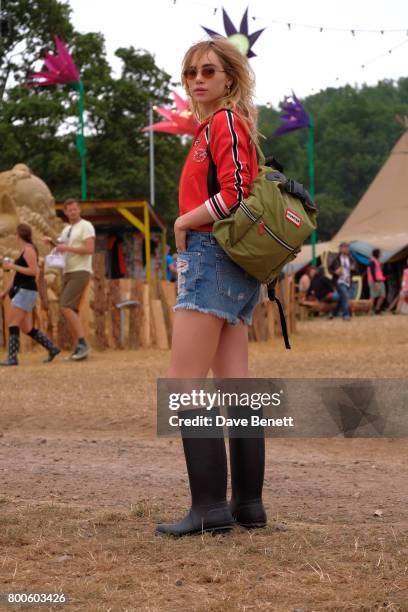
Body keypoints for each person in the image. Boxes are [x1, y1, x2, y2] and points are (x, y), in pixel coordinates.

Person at [156, 38, 265, 537]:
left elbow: (238, 191)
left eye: (208, 71)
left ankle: (209, 509)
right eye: (190, 73)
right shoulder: (215, 126)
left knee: (183, 384)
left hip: (212, 255)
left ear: (229, 80)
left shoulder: (223, 123)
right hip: (231, 262)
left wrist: (183, 220)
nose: (198, 79)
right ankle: (247, 505)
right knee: (235, 385)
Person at [0, 223, 60, 366]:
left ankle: (12, 357)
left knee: (13, 323)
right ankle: (52, 348)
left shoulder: (29, 250)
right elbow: (16, 275)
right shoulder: (23, 250)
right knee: (26, 328)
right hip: (22, 290)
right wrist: (5, 292)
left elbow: (34, 272)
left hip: (26, 291)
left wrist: (13, 266)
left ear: (18, 235)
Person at [44, 199, 95, 360]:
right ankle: (80, 347)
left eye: (75, 209)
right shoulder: (66, 229)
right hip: (67, 271)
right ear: (65, 212)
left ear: (79, 210)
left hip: (80, 270)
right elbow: (59, 246)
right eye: (70, 210)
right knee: (70, 309)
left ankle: (82, 343)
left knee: (65, 306)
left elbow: (89, 249)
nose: (73, 212)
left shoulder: (86, 226)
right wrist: (50, 242)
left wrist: (65, 248)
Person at [328, 242, 357, 321]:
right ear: (340, 249)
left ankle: (333, 313)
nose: (346, 249)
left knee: (342, 298)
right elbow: (330, 269)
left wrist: (353, 268)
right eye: (344, 247)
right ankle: (346, 315)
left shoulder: (350, 259)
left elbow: (355, 268)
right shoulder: (336, 259)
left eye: (347, 247)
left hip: (348, 281)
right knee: (345, 296)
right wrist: (335, 272)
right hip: (339, 281)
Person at [367, 248, 386, 314]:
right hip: (374, 281)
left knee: (382, 295)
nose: (380, 255)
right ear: (377, 254)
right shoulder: (372, 261)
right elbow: (372, 272)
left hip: (380, 281)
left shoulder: (376, 261)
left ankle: (377, 309)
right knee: (373, 296)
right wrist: (375, 282)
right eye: (379, 253)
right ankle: (369, 310)